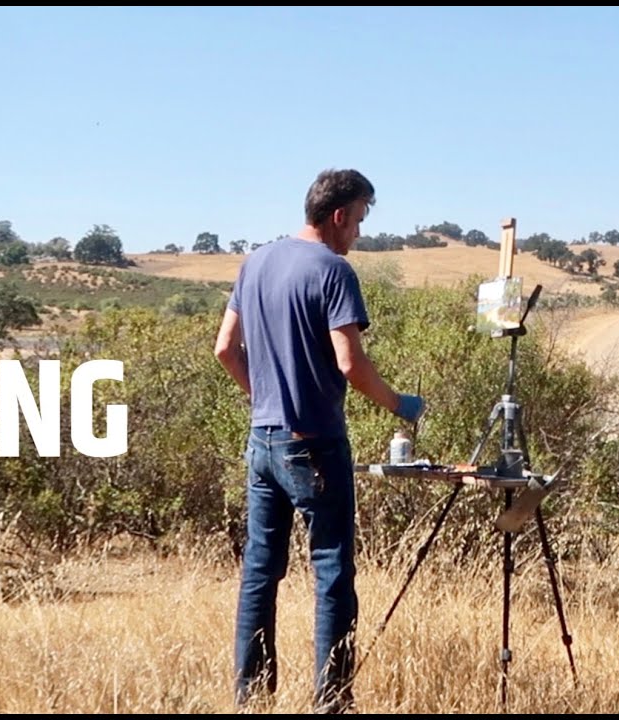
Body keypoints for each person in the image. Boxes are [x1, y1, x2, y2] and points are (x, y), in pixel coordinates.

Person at [213, 168, 426, 713]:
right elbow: (350, 362)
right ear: (338, 215)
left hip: (263, 442)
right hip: (316, 445)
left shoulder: (256, 262)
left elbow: (224, 350)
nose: (358, 233)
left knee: (260, 573)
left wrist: (265, 397)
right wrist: (399, 404)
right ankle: (332, 702)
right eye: (358, 220)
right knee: (332, 573)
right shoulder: (333, 271)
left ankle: (251, 697)